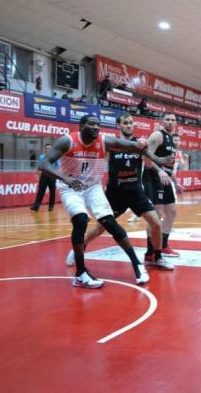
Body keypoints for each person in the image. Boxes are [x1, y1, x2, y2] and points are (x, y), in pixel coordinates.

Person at [37, 114, 169, 288]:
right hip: (73, 187)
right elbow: (43, 164)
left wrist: (157, 158)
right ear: (81, 126)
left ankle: (140, 263)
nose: (96, 127)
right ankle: (80, 272)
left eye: (98, 125)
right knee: (82, 220)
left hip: (97, 187)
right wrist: (66, 178)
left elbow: (135, 147)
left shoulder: (105, 140)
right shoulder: (67, 141)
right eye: (91, 124)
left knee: (114, 223)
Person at [64, 114, 174, 271]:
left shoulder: (139, 143)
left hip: (136, 191)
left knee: (156, 223)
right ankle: (78, 250)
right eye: (125, 123)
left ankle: (157, 257)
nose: (129, 125)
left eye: (131, 123)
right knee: (100, 228)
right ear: (119, 125)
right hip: (115, 193)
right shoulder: (111, 144)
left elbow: (149, 164)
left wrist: (148, 147)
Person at [144, 113, 184, 257]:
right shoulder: (157, 136)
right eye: (167, 119)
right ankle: (150, 251)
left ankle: (164, 245)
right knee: (156, 214)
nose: (170, 122)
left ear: (176, 123)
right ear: (162, 121)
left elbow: (168, 167)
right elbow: (146, 158)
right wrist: (160, 171)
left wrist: (176, 183)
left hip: (165, 178)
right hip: (153, 177)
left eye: (173, 120)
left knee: (171, 212)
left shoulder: (172, 141)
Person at [30, 144, 57, 211]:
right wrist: (37, 175)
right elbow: (38, 166)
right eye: (46, 148)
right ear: (44, 149)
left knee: (52, 191)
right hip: (44, 175)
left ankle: (51, 206)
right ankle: (36, 207)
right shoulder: (41, 157)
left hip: (52, 175)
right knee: (40, 191)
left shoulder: (55, 157)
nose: (48, 149)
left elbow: (58, 167)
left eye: (49, 148)